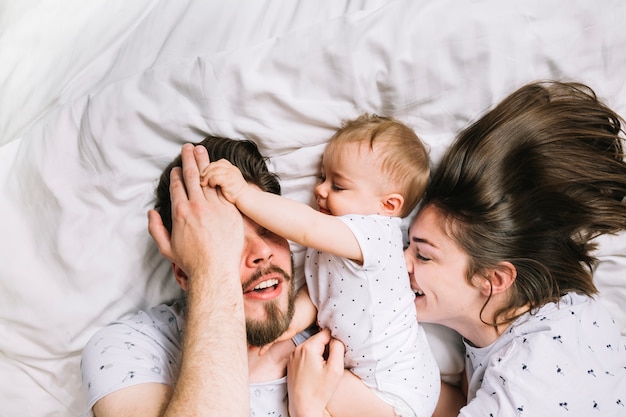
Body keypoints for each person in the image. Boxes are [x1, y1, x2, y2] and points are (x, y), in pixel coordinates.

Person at [401, 81, 626, 416]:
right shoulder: (549, 319)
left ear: (493, 278)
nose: (399, 262)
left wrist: (309, 405)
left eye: (422, 254)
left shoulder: (537, 371)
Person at [203, 114, 441, 417]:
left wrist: (243, 194)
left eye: (338, 186)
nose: (321, 190)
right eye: (321, 177)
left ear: (389, 206)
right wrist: (286, 328)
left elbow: (305, 227)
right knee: (313, 378)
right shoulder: (335, 245)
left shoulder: (376, 234)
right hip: (371, 379)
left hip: (395, 386)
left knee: (311, 383)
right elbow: (317, 298)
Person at [80, 136, 306, 417]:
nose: (262, 252)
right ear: (184, 273)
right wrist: (211, 267)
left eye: (267, 228)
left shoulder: (340, 328)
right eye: (230, 239)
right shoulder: (127, 346)